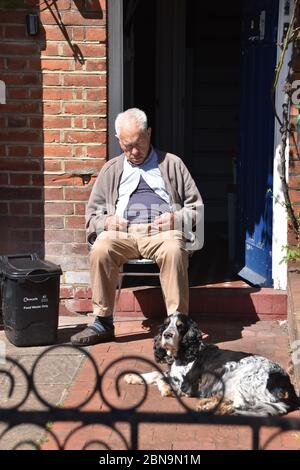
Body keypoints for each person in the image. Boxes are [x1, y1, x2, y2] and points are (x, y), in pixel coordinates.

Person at [71, 108, 203, 346]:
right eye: (127, 146)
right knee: (101, 248)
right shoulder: (111, 170)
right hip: (123, 232)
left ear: (149, 134)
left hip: (163, 232)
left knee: (174, 250)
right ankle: (102, 321)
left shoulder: (172, 164)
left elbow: (197, 207)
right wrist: (108, 221)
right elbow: (92, 216)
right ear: (118, 141)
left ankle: (177, 324)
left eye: (138, 143)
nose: (133, 151)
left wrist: (175, 218)